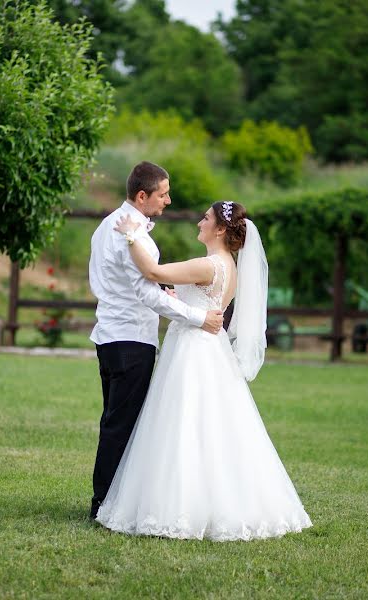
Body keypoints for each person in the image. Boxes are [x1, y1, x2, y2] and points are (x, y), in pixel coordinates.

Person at [95, 200, 312, 541]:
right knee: (214, 426)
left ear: (221, 230)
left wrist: (133, 235)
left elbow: (153, 272)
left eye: (206, 218)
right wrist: (177, 298)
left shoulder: (208, 265)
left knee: (183, 423)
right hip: (211, 348)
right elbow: (199, 301)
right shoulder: (228, 267)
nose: (199, 222)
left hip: (192, 350)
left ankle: (180, 506)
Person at [88, 161, 224, 521]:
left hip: (109, 335)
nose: (168, 200)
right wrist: (199, 317)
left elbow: (113, 282)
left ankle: (108, 500)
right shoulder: (133, 235)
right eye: (162, 194)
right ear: (142, 195)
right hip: (131, 339)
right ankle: (104, 505)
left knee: (115, 420)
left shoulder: (106, 225)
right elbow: (146, 295)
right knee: (122, 424)